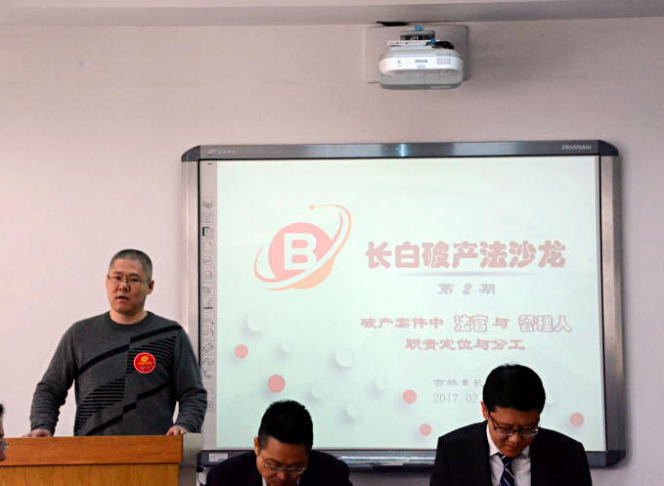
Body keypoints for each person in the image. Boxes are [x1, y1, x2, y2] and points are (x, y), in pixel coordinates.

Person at [26, 249, 207, 437]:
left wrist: (185, 425)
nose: (123, 286)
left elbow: (193, 394)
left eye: (133, 279)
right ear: (107, 281)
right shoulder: (80, 335)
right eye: (117, 278)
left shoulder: (170, 335)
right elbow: (49, 390)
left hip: (153, 452)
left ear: (150, 286)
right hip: (90, 452)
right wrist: (42, 425)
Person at [430, 364, 592, 486]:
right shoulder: (453, 451)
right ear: (485, 410)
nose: (515, 439)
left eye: (528, 428)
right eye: (505, 428)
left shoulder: (568, 453)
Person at [206, 400, 353, 486]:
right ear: (257, 446)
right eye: (273, 465)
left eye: (295, 467)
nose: (283, 477)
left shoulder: (332, 475)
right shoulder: (224, 479)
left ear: (308, 454)